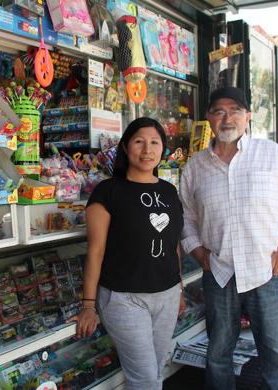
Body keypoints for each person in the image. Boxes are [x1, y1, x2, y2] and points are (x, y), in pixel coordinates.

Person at [179, 87, 278, 390]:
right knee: (218, 353)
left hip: (268, 270)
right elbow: (186, 216)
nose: (227, 118)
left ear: (248, 116)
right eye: (219, 111)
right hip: (220, 273)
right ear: (209, 118)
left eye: (235, 110)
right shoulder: (196, 167)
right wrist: (199, 254)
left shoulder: (271, 154)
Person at [70, 117, 185, 390]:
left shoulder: (169, 191)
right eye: (139, 142)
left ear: (163, 149)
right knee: (145, 380)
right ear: (125, 147)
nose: (148, 150)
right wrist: (88, 305)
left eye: (155, 142)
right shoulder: (107, 192)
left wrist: (178, 288)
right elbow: (95, 252)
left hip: (167, 295)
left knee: (157, 371)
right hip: (124, 300)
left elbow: (173, 245)